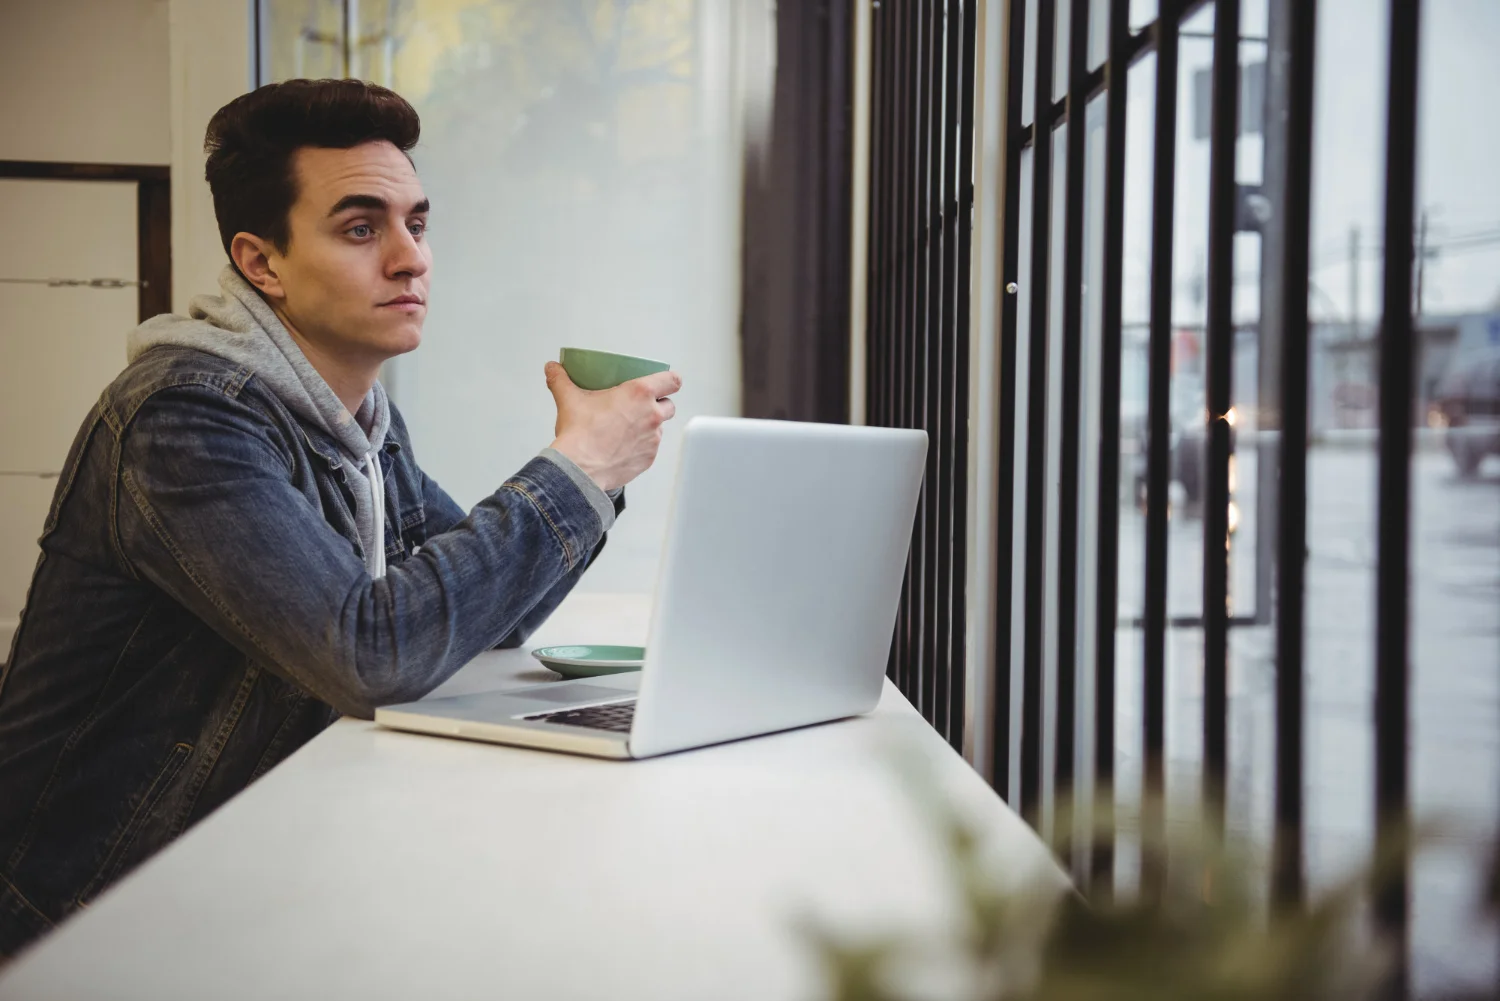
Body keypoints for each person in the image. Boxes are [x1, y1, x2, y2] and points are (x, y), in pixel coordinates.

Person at [0, 78, 681, 959]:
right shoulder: (183, 419)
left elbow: (486, 619)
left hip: (234, 875)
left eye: (417, 224)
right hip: (81, 924)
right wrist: (578, 467)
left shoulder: (356, 424)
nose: (411, 258)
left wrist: (598, 474)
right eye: (363, 228)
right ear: (261, 262)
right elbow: (374, 653)